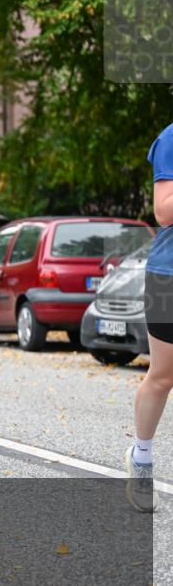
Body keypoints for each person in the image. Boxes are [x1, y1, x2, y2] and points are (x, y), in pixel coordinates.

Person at [127, 122, 173, 513]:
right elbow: (163, 211)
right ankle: (141, 458)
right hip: (169, 275)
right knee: (163, 376)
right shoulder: (171, 138)